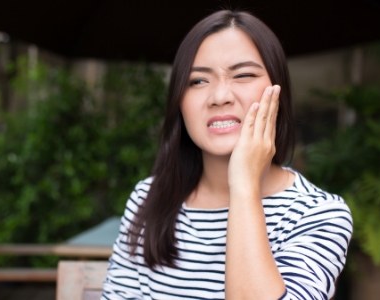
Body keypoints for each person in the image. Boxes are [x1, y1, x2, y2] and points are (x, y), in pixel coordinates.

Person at [101, 9, 353, 300]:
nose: (220, 96)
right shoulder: (149, 198)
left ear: (278, 92)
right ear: (179, 102)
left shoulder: (318, 214)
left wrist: (244, 185)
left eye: (243, 75)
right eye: (197, 81)